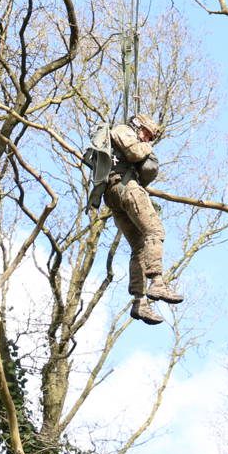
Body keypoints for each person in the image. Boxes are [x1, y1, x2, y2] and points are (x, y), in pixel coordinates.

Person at [87, 113, 184, 325]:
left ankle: (139, 302)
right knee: (155, 231)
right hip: (125, 189)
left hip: (115, 194)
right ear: (138, 126)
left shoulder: (126, 135)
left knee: (139, 247)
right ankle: (157, 281)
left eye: (151, 138)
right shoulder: (123, 131)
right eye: (147, 135)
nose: (148, 140)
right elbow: (133, 153)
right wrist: (148, 149)